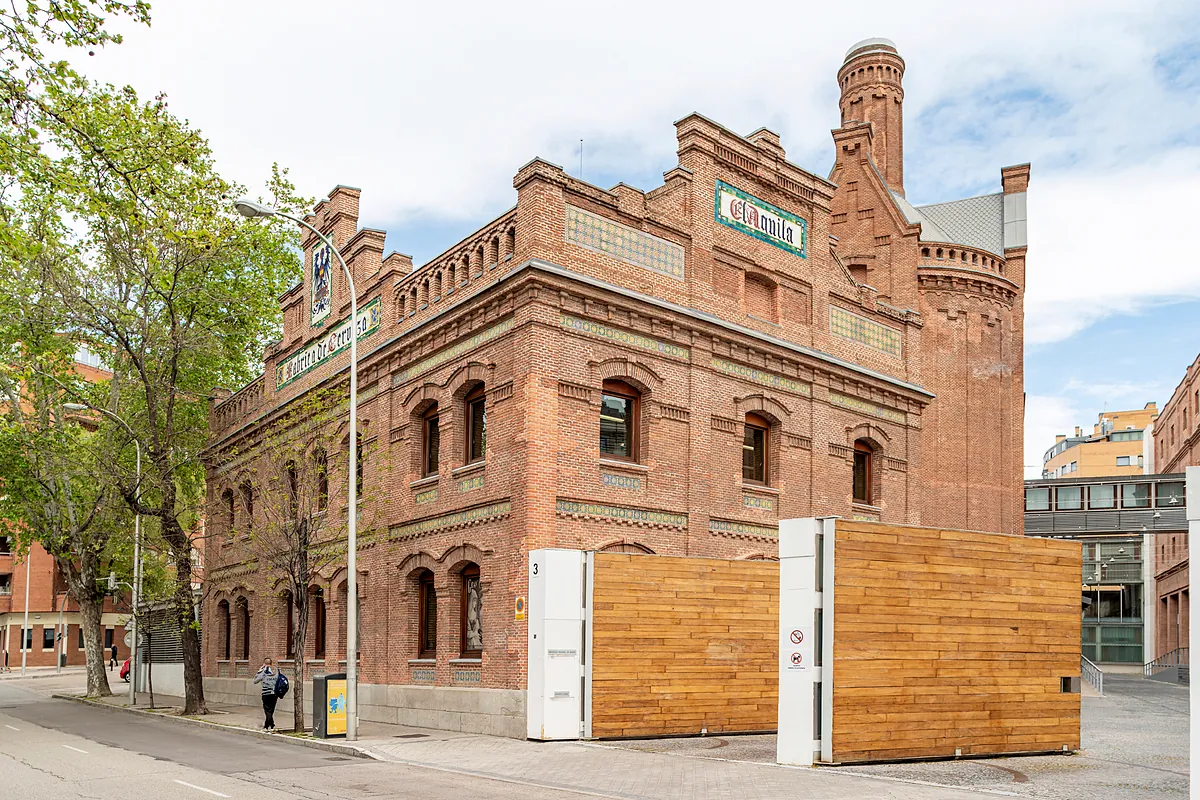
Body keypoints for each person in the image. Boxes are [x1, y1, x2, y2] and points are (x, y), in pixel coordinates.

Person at [252, 657, 278, 731]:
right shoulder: (276, 671)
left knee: (267, 710)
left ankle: (269, 726)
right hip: (274, 693)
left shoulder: (263, 672)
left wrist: (259, 671)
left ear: (264, 664)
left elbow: (255, 681)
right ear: (271, 663)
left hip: (266, 693)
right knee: (271, 710)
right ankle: (270, 725)